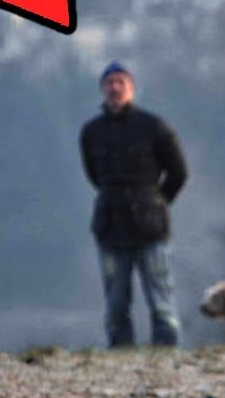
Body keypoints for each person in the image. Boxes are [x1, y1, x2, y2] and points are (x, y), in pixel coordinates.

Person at [80, 61, 188, 347]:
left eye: (120, 82)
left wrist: (158, 202)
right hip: (110, 225)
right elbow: (93, 175)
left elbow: (178, 172)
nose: (115, 87)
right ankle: (120, 353)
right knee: (115, 302)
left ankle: (165, 353)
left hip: (151, 226)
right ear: (102, 88)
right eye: (109, 82)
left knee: (161, 296)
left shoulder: (154, 126)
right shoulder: (91, 132)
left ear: (131, 88)